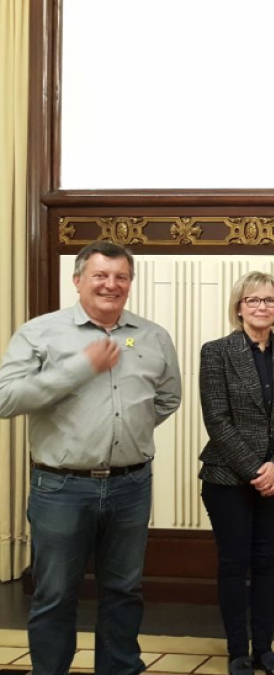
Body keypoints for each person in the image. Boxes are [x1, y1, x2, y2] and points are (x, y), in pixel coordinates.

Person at [0, 241, 182, 675]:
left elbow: (168, 398)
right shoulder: (40, 332)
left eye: (121, 277)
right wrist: (80, 367)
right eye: (100, 275)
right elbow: (6, 399)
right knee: (56, 594)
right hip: (61, 487)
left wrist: (122, 433)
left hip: (131, 484)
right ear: (78, 280)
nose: (111, 285)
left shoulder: (153, 335)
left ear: (130, 283)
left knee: (124, 591)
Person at [198, 272, 274, 675]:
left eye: (270, 301)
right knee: (234, 563)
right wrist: (255, 470)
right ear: (239, 306)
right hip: (227, 478)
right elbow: (216, 419)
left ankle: (264, 648)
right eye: (254, 300)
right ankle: (237, 652)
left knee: (268, 562)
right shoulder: (215, 352)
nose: (262, 307)